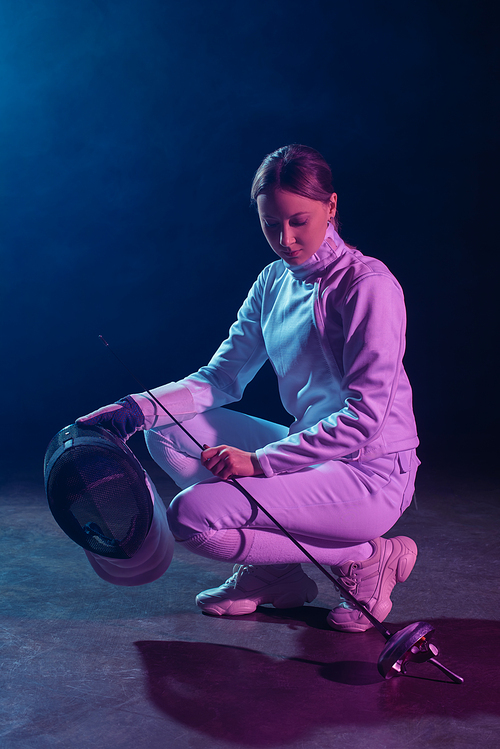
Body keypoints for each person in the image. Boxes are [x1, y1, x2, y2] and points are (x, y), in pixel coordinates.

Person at [78, 144, 420, 633]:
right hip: (310, 453)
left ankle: (366, 557)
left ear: (332, 207)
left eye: (299, 221)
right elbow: (219, 379)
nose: (286, 239)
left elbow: (366, 417)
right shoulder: (273, 282)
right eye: (270, 225)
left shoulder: (368, 286)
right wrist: (131, 411)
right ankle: (275, 574)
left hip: (370, 474)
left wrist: (260, 463)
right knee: (167, 430)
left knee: (193, 518)